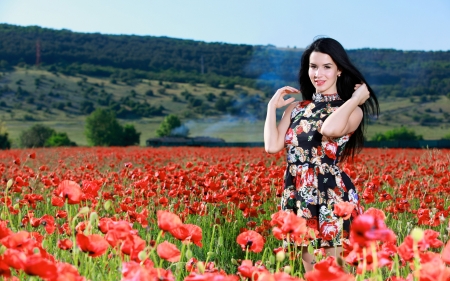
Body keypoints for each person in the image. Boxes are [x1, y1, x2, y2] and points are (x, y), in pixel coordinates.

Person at [264, 37, 379, 272]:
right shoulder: (296, 108)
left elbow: (329, 129)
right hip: (300, 193)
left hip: (331, 195)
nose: (318, 73)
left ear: (339, 71)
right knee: (311, 272)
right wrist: (269, 108)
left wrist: (356, 99)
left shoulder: (351, 111)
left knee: (336, 271)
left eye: (327, 67)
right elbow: (272, 146)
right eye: (313, 66)